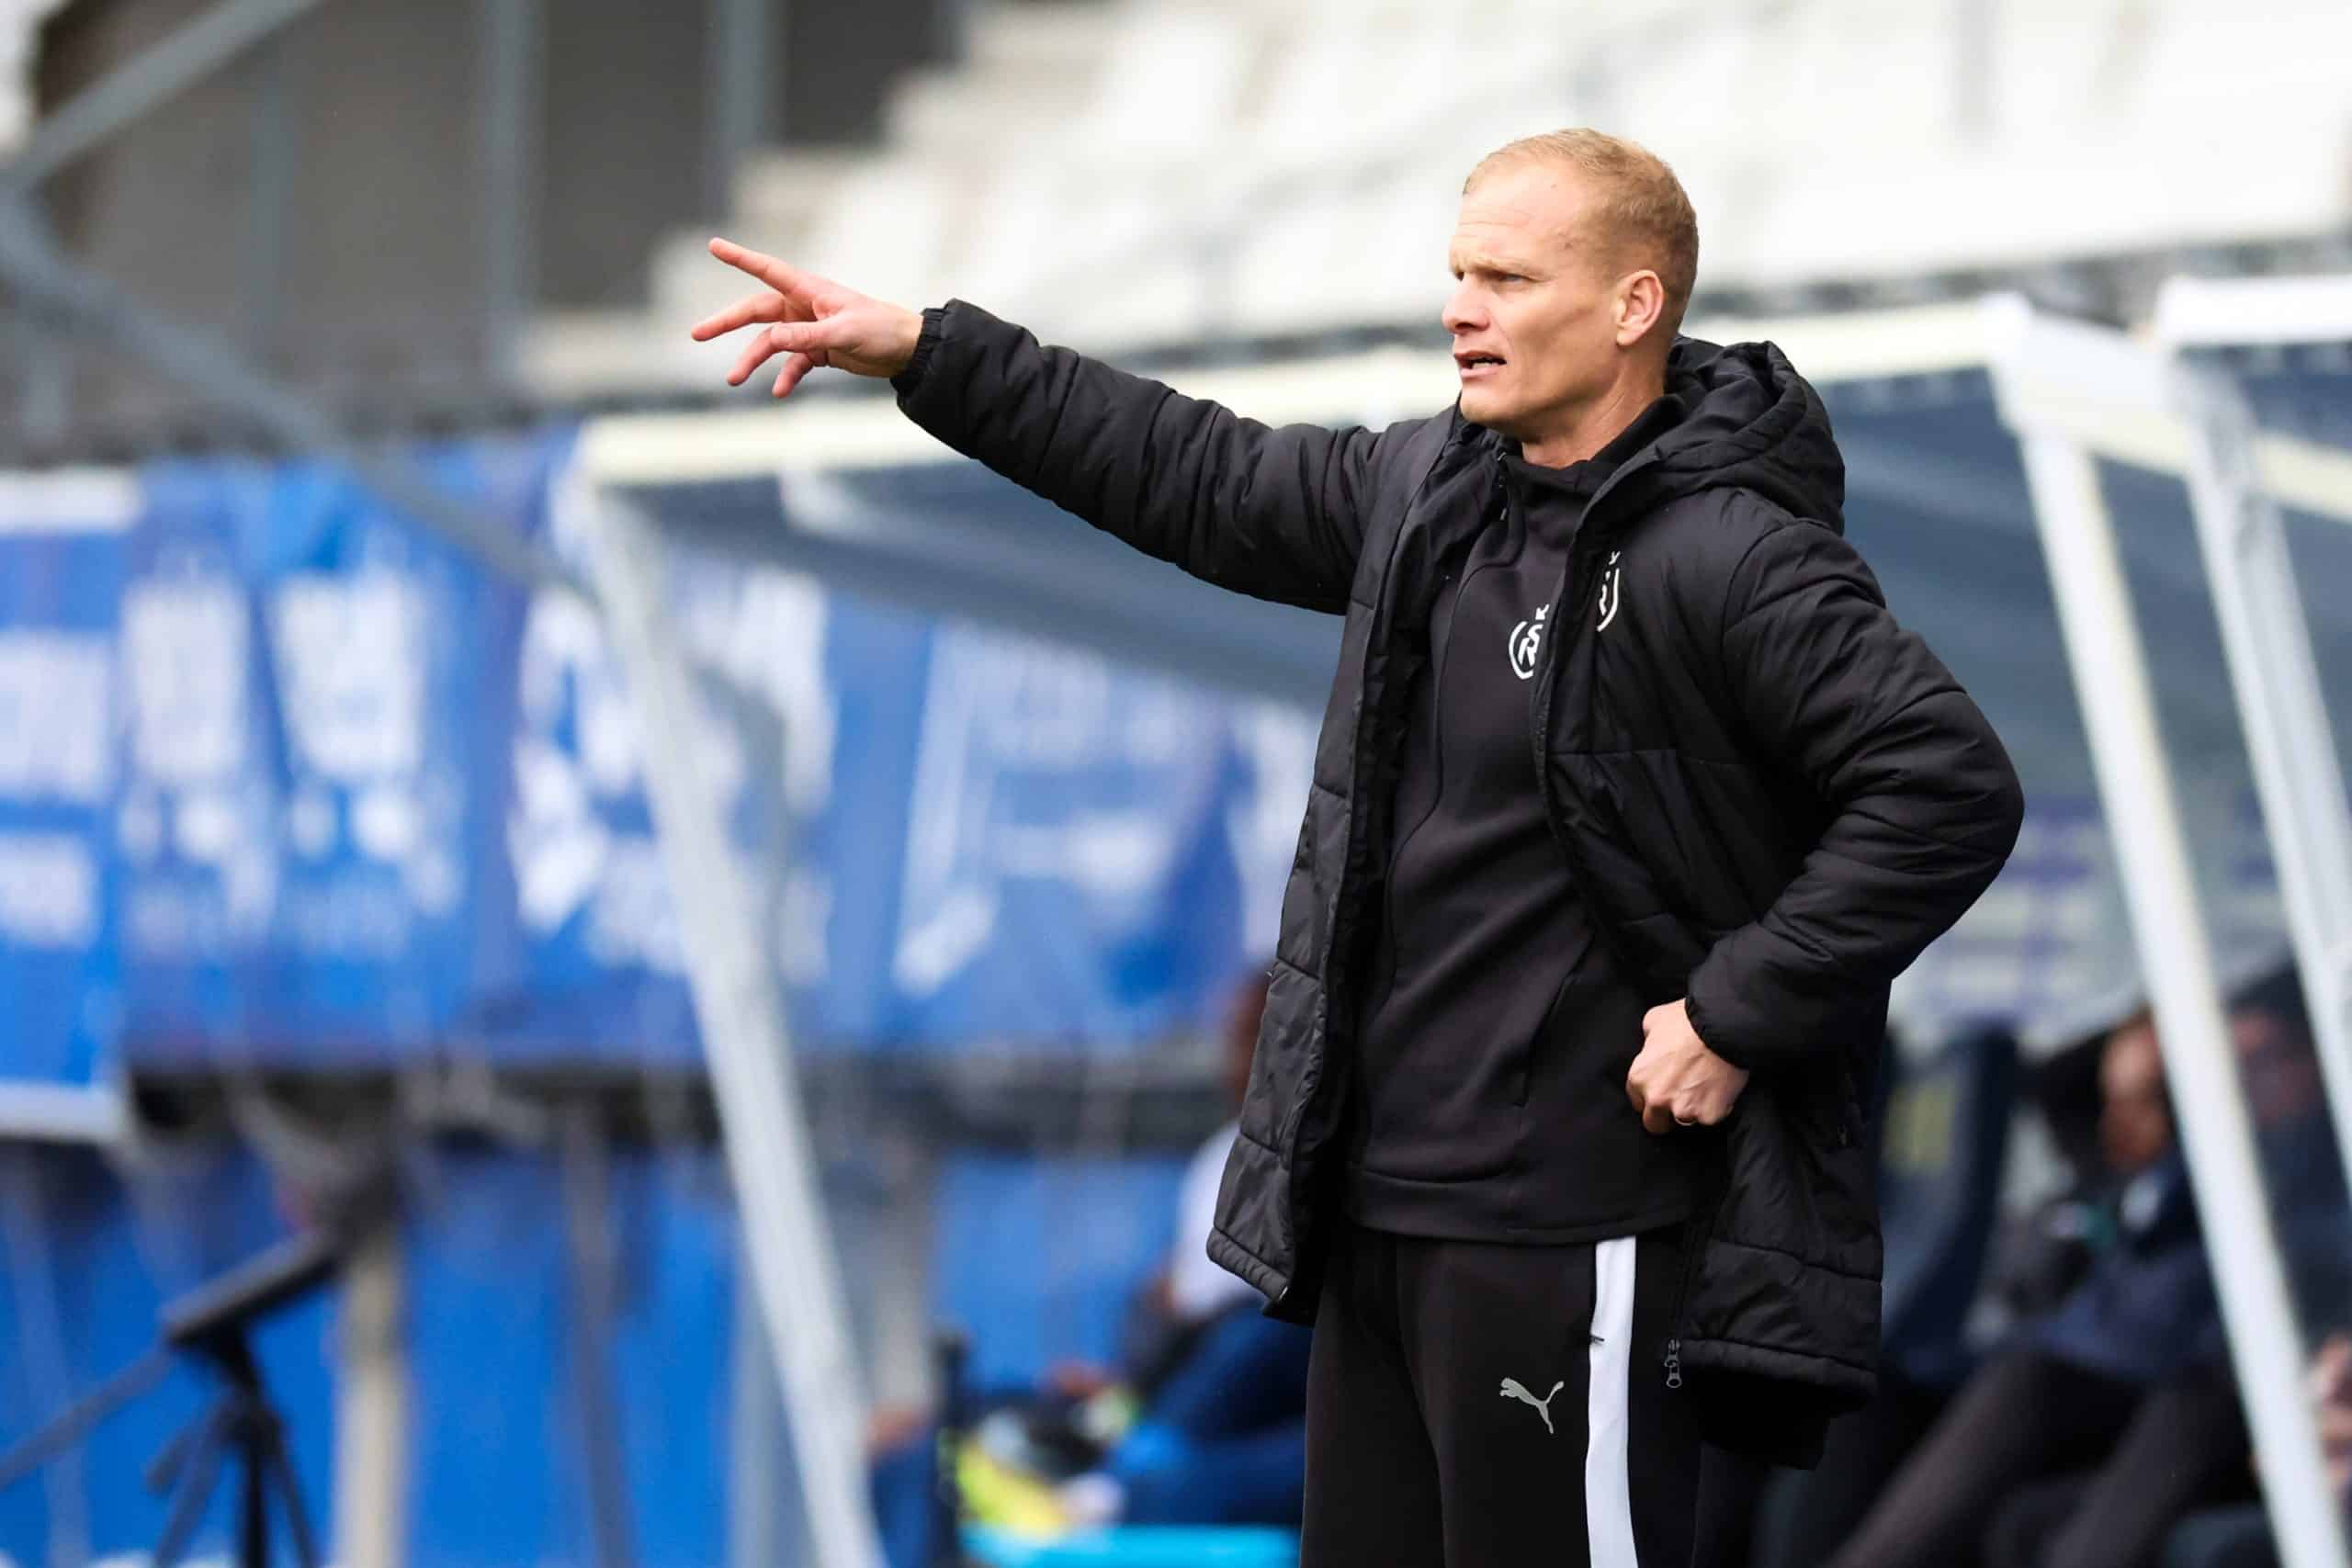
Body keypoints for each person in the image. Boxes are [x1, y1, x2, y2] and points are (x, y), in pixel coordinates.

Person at [693, 127, 2023, 1567]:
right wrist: (931, 353)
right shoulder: (1427, 499)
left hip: (1574, 1227)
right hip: (1379, 1220)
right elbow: (1187, 470)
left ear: (1635, 307)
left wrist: (1733, 1011)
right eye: (1459, 273)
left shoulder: (1732, 554)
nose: (1463, 307)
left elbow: (1948, 786)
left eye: (1507, 279)